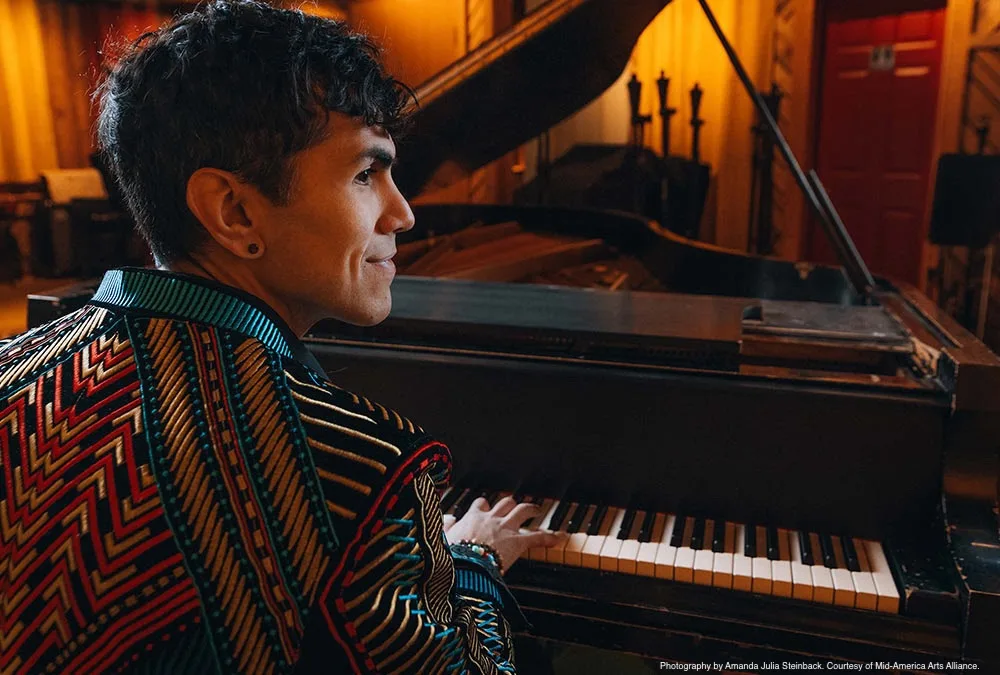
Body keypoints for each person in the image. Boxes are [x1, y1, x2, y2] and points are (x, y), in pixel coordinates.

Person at [0, 2, 562, 673]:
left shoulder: (9, 367)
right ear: (235, 211)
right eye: (364, 173)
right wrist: (471, 558)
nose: (404, 212)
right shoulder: (358, 468)